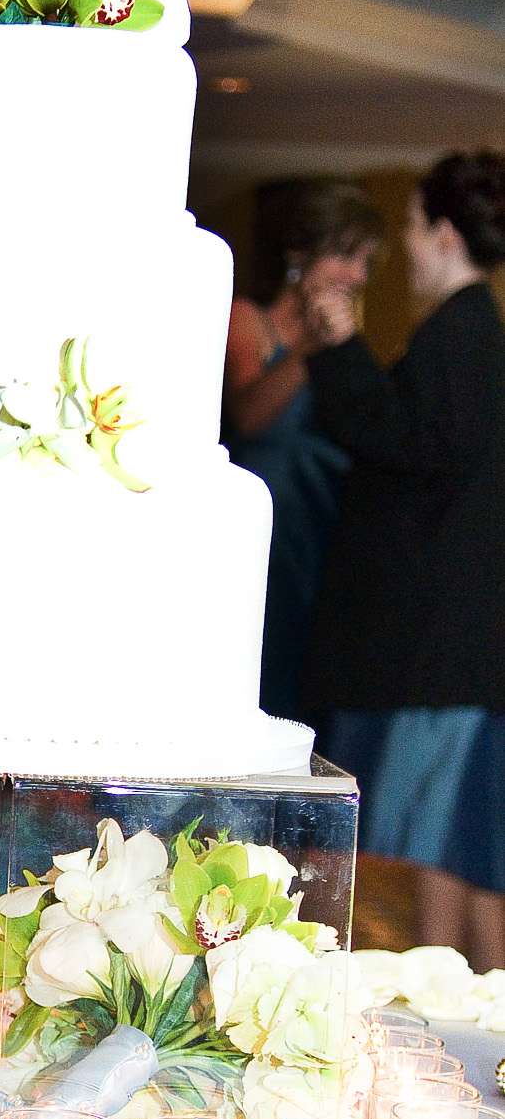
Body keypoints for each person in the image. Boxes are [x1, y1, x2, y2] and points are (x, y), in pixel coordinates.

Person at [303, 150, 505, 966]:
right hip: (455, 655)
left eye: (416, 227)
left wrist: (341, 344)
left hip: (435, 657)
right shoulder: (471, 335)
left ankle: (459, 1047)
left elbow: (398, 443)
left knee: (437, 855)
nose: (407, 250)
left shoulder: (461, 339)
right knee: (461, 857)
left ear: (445, 234)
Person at [222, 180, 384, 723]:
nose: (358, 276)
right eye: (345, 255)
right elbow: (248, 418)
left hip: (326, 532)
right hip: (268, 532)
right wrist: (312, 348)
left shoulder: (347, 340)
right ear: (299, 254)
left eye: (365, 261)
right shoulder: (247, 318)